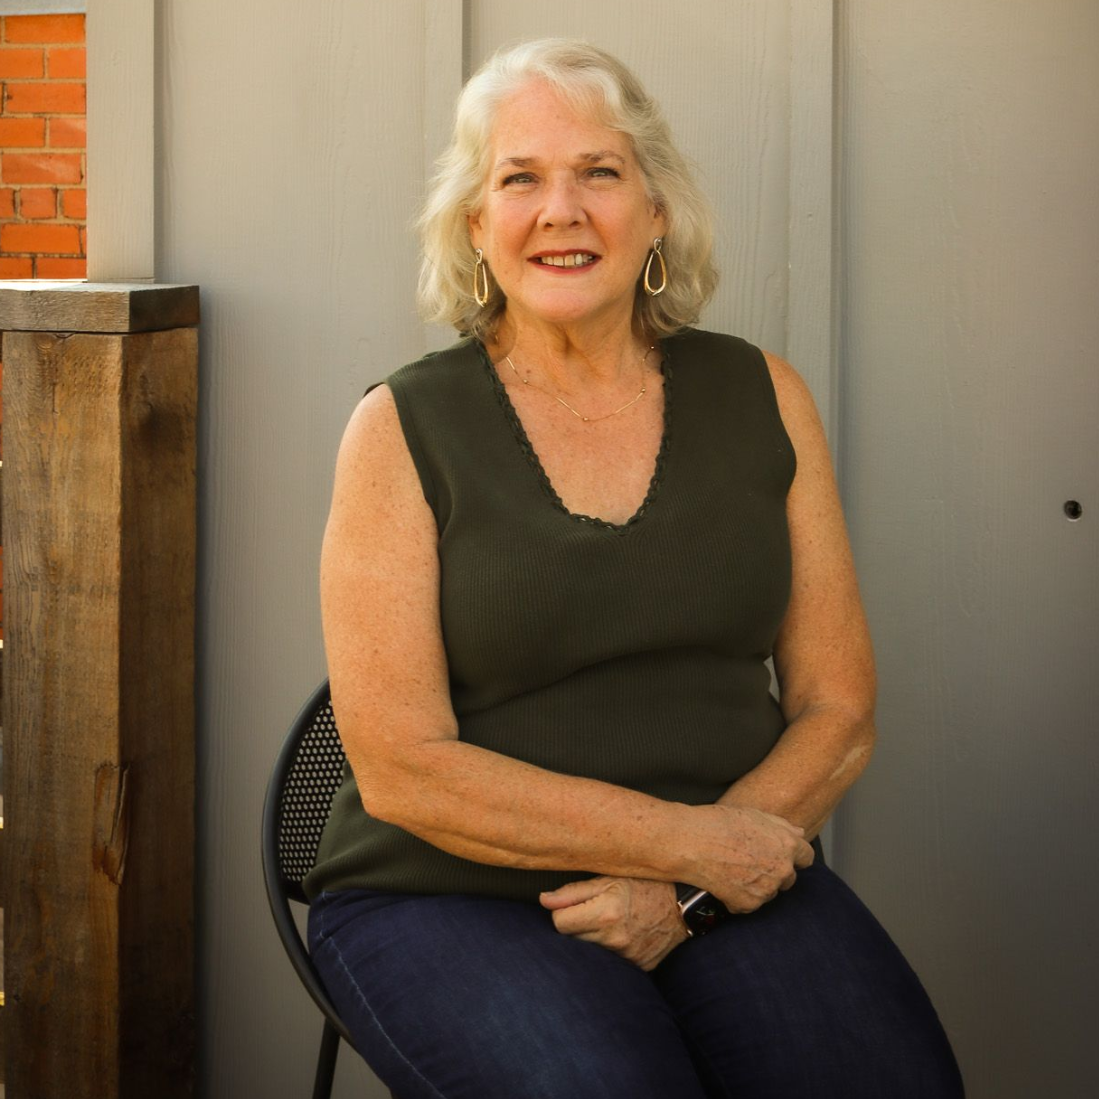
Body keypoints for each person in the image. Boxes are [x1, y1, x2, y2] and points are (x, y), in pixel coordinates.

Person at [306, 38, 965, 1099]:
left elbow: (836, 706)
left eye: (598, 173)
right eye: (518, 179)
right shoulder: (400, 428)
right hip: (447, 892)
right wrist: (688, 847)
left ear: (655, 210)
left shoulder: (764, 395)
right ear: (476, 227)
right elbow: (401, 765)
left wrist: (692, 891)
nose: (560, 210)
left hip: (727, 879)